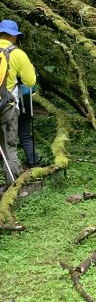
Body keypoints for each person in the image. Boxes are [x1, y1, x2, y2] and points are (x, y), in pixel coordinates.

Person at [0, 20, 36, 192]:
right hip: (6, 107)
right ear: (14, 36)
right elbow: (30, 81)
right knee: (9, 146)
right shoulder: (17, 54)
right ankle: (13, 186)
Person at [18, 83, 40, 168]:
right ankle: (34, 164)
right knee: (25, 135)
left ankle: (13, 170)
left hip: (10, 101)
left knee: (7, 139)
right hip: (26, 99)